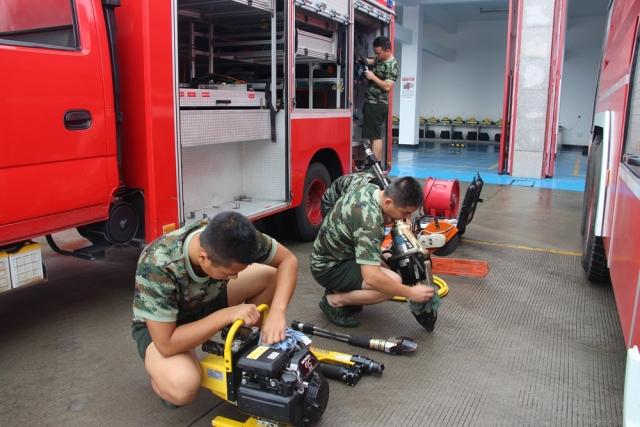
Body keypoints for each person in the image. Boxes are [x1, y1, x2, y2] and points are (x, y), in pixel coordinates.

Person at [131, 211, 298, 407]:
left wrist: (277, 312)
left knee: (270, 276)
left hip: (206, 299)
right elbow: (167, 344)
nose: (235, 277)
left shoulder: (235, 235)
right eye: (230, 273)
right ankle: (160, 375)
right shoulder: (158, 265)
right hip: (167, 328)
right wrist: (227, 315)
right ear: (204, 258)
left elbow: (288, 260)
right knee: (183, 386)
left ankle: (251, 347)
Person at [310, 176, 435, 328]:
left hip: (338, 253)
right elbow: (372, 278)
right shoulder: (370, 223)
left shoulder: (371, 189)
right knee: (391, 283)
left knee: (389, 266)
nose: (407, 218)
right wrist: (410, 293)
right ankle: (334, 301)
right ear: (388, 202)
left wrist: (383, 252)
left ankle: (342, 289)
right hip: (328, 267)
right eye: (405, 212)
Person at [363, 36, 399, 162]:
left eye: (378, 53)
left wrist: (372, 77)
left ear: (388, 51)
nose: (377, 55)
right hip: (371, 102)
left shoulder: (392, 65)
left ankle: (375, 165)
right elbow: (373, 61)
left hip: (377, 103)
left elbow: (388, 87)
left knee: (375, 136)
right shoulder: (380, 59)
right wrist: (363, 60)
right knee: (371, 135)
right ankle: (371, 163)